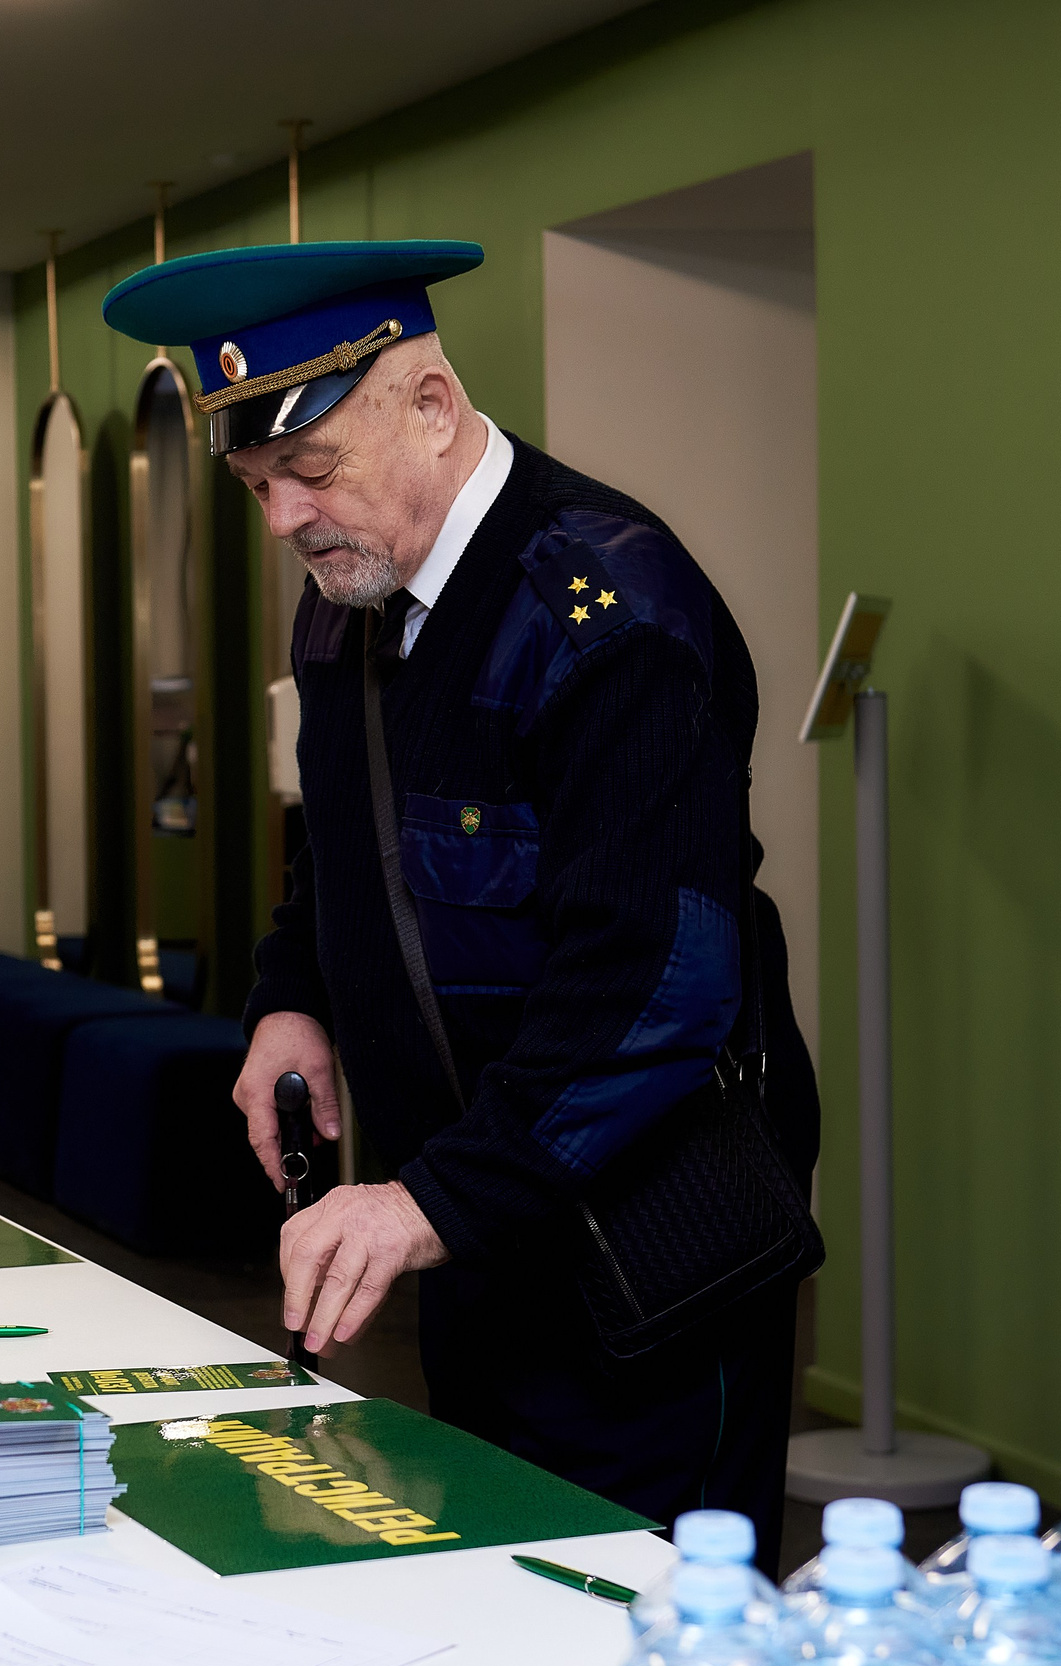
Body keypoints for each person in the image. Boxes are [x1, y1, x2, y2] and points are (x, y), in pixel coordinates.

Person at [104, 241, 822, 1566]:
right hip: (477, 1225)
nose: (285, 520)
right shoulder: (349, 596)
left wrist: (420, 1201)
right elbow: (345, 845)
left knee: (641, 1599)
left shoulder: (609, 612)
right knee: (493, 1568)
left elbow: (653, 984)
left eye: (311, 469)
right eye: (257, 484)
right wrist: (292, 997)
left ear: (431, 406)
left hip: (644, 1251)